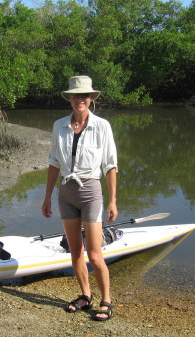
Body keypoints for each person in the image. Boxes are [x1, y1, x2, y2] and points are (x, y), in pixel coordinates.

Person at [41, 75, 118, 321]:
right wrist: (47, 198)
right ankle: (86, 296)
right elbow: (54, 162)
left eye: (84, 96)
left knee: (95, 254)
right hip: (66, 192)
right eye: (75, 95)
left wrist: (113, 200)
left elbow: (110, 165)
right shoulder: (59, 125)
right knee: (75, 251)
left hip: (91, 191)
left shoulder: (102, 126)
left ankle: (106, 300)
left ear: (91, 98)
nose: (79, 100)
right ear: (70, 99)